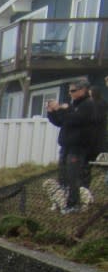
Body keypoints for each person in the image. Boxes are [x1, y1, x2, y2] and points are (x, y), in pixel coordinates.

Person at [46, 78, 97, 212]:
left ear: (83, 90)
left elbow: (74, 120)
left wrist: (63, 110)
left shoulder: (88, 105)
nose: (70, 93)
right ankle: (63, 201)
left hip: (78, 147)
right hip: (66, 146)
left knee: (74, 177)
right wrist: (52, 112)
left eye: (73, 90)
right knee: (63, 176)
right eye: (69, 91)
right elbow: (62, 122)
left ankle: (75, 204)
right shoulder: (73, 105)